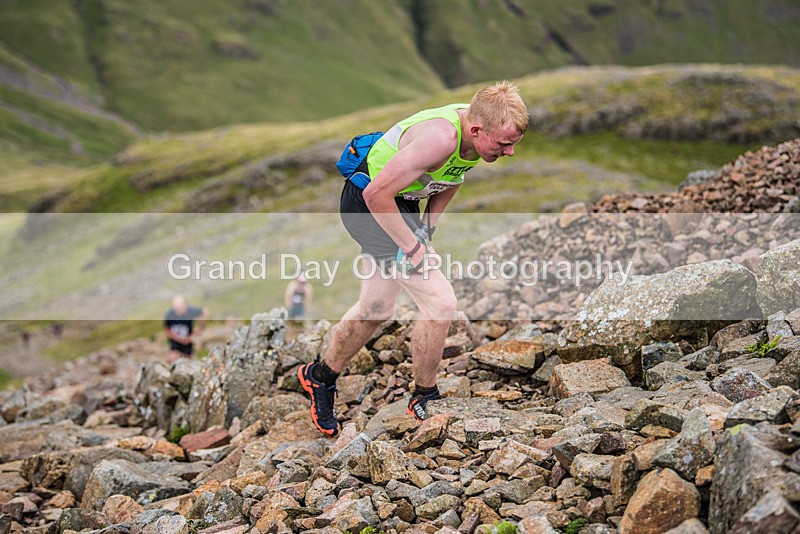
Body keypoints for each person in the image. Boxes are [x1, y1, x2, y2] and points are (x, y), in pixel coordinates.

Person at [298, 81, 528, 436]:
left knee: (377, 308)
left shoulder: (478, 131)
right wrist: (413, 247)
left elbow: (454, 175)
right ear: (478, 129)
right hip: (368, 202)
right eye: (504, 144)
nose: (510, 152)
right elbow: (376, 194)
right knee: (440, 303)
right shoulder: (441, 138)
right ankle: (425, 395)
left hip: (399, 201)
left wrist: (427, 229)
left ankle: (319, 377)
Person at [164, 294, 209, 363]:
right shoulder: (169, 314)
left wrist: (200, 328)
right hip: (175, 340)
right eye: (177, 308)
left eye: (181, 307)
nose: (179, 310)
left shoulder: (191, 311)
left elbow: (205, 311)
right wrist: (178, 338)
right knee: (173, 356)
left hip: (188, 339)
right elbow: (167, 330)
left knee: (189, 359)